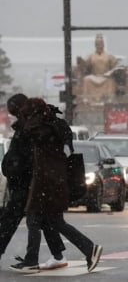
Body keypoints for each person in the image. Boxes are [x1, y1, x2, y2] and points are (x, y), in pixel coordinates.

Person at [9, 98, 102, 273]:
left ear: (33, 113)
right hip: (55, 182)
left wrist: (24, 121)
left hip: (45, 184)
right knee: (54, 221)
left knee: (34, 220)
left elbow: (26, 133)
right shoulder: (56, 125)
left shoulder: (39, 128)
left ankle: (31, 261)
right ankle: (89, 249)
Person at [0, 94, 68, 271]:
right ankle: (58, 254)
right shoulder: (30, 125)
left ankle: (35, 259)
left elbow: (25, 157)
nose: (13, 114)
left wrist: (14, 169)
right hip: (29, 182)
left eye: (13, 110)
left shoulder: (30, 128)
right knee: (45, 220)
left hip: (27, 183)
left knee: (15, 220)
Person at [81, 34, 120, 103]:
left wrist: (112, 70)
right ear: (95, 45)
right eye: (97, 44)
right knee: (86, 79)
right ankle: (87, 98)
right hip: (94, 76)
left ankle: (109, 99)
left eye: (101, 44)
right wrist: (82, 63)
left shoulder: (109, 55)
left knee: (110, 81)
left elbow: (115, 65)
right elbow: (84, 64)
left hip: (105, 77)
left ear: (103, 45)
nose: (99, 46)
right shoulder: (91, 55)